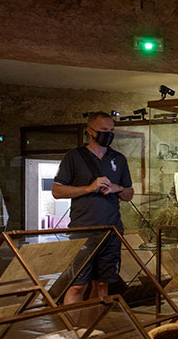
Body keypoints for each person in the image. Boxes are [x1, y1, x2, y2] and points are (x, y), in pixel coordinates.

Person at [52, 111, 134, 308]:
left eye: (112, 130)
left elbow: (129, 194)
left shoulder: (119, 159)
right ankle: (73, 333)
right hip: (83, 231)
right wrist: (89, 188)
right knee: (77, 286)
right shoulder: (74, 157)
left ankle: (94, 332)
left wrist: (117, 188)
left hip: (111, 231)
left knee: (103, 285)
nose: (109, 134)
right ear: (90, 131)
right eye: (104, 130)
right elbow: (57, 191)